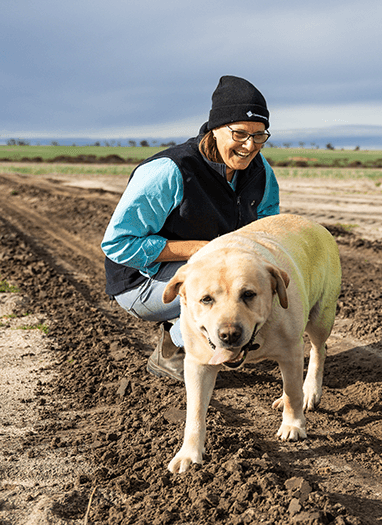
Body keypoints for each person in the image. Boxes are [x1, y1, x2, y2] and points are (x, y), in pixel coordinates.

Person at [102, 75, 279, 383]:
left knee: (252, 287)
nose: (250, 146)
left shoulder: (261, 173)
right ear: (215, 129)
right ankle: (174, 348)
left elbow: (268, 230)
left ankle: (207, 338)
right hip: (140, 282)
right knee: (209, 285)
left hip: (209, 267)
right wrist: (200, 249)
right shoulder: (170, 172)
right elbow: (118, 245)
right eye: (239, 133)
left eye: (259, 135)